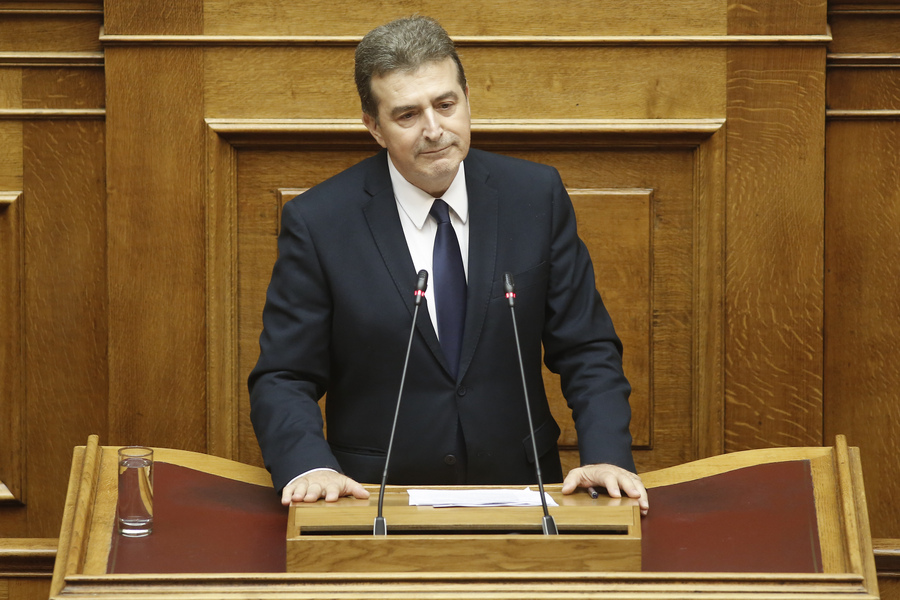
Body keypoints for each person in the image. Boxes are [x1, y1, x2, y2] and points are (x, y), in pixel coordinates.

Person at [248, 15, 649, 515]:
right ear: (374, 127)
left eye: (445, 105)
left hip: (523, 495)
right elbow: (284, 374)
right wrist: (309, 467)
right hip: (375, 500)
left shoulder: (535, 196)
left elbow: (587, 347)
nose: (434, 131)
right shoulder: (319, 222)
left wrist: (607, 456)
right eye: (407, 115)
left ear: (467, 99)